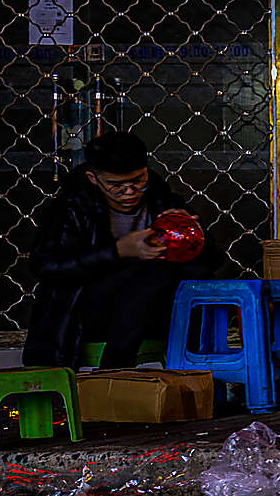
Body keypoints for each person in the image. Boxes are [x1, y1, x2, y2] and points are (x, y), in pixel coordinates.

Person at [22, 130, 226, 369]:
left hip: (151, 308)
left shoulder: (160, 198)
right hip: (87, 313)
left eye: (137, 181)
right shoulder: (72, 207)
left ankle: (205, 371)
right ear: (93, 178)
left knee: (189, 274)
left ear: (145, 172)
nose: (129, 192)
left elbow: (214, 260)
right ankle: (116, 368)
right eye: (116, 185)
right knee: (153, 271)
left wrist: (190, 233)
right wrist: (118, 251)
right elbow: (45, 265)